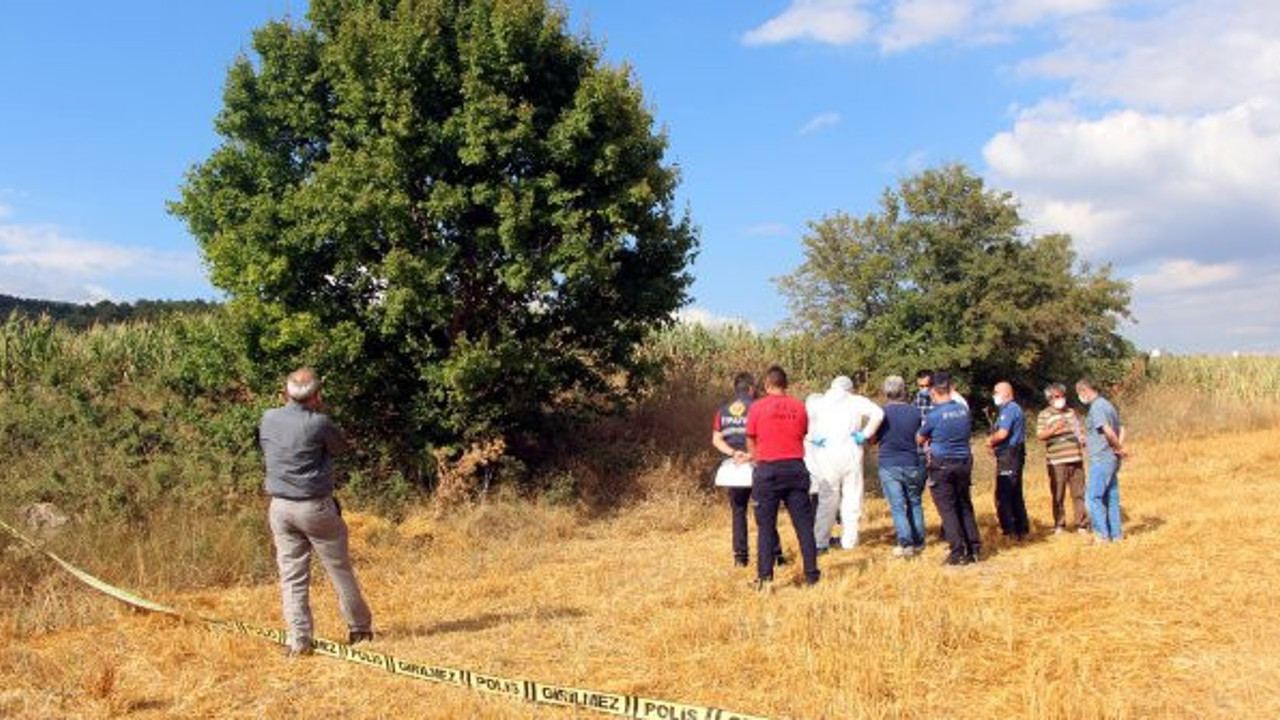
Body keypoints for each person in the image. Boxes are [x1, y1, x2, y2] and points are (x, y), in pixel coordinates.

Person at [258, 368, 373, 656]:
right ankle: (359, 629)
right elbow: (341, 448)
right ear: (317, 396)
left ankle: (299, 642)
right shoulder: (319, 423)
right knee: (339, 569)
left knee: (292, 576)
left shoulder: (268, 417)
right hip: (315, 506)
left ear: (284, 394)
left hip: (280, 507)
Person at [746, 366, 820, 588]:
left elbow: (750, 438)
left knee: (766, 527)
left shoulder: (757, 407)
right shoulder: (799, 407)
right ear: (785, 384)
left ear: (767, 385)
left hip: (768, 469)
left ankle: (765, 578)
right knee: (804, 526)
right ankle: (812, 575)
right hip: (796, 468)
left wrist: (756, 460)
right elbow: (802, 433)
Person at [711, 372, 784, 568]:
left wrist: (733, 453)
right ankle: (776, 554)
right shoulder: (759, 407)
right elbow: (768, 437)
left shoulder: (723, 410)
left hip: (734, 467)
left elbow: (716, 439)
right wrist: (751, 455)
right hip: (757, 464)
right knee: (765, 511)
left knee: (738, 511)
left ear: (735, 388)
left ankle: (740, 558)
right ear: (751, 389)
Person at [807, 376, 884, 551]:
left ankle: (820, 542)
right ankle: (849, 541)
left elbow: (806, 423)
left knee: (827, 500)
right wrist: (864, 434)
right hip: (851, 453)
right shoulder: (855, 400)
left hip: (827, 455)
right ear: (849, 388)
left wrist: (812, 437)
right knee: (852, 498)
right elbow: (879, 413)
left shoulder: (819, 402)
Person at [917, 372, 981, 565]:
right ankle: (974, 548)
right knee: (964, 504)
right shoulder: (963, 410)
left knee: (947, 509)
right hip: (963, 462)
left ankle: (957, 551)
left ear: (934, 392)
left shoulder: (934, 415)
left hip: (942, 465)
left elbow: (920, 438)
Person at [875, 375, 926, 557]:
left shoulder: (881, 413)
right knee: (914, 502)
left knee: (897, 505)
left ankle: (905, 543)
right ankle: (919, 541)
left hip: (889, 463)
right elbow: (921, 436)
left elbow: (873, 439)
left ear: (886, 391)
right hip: (912, 461)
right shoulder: (915, 412)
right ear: (904, 390)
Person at [1075, 378, 1126, 542]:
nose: (1079, 397)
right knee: (1111, 497)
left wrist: (1118, 447)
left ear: (1084, 390)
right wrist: (1118, 448)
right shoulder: (1108, 405)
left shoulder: (1097, 407)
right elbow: (1122, 428)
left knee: (1093, 498)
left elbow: (1107, 430)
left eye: (1078, 393)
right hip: (1111, 458)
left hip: (1101, 459)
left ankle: (1101, 535)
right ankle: (1116, 535)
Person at [1036, 383, 1088, 534]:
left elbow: (1079, 430)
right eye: (1057, 397)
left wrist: (1082, 437)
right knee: (1058, 494)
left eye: (1062, 396)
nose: (1061, 399)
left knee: (1079, 493)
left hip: (1075, 457)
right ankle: (1060, 524)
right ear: (1050, 399)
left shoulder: (1071, 412)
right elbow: (1040, 435)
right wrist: (1055, 428)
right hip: (1056, 461)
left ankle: (1082, 524)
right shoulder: (1044, 415)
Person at [987, 381, 1030, 540]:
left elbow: (1002, 433)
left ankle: (1009, 531)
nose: (994, 395)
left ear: (1007, 393)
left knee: (1004, 493)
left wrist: (990, 441)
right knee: (1015, 492)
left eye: (996, 392)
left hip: (1010, 454)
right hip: (1012, 454)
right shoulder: (1009, 409)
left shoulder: (1010, 409)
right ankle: (1021, 529)